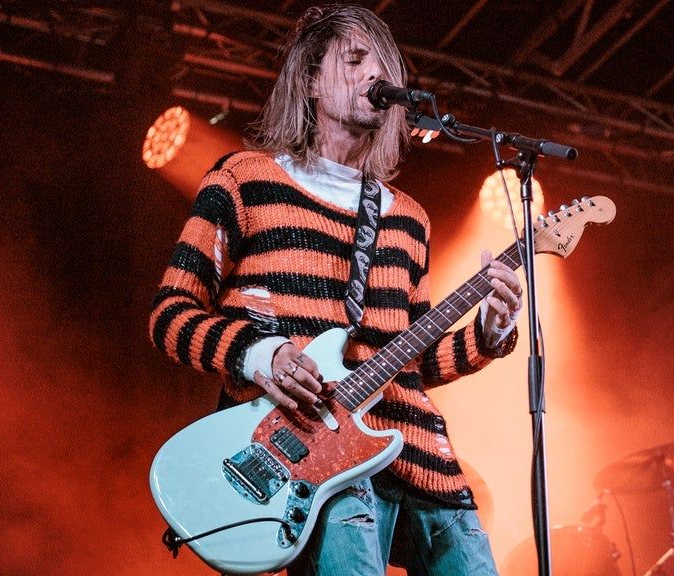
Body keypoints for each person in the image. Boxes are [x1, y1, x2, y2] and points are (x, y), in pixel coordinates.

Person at [149, 4, 523, 574]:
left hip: (422, 462)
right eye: (354, 60)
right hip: (315, 461)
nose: (376, 75)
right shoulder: (243, 181)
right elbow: (170, 314)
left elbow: (413, 364)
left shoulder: (408, 219)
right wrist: (262, 355)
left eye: (385, 66)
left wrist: (490, 332)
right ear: (309, 81)